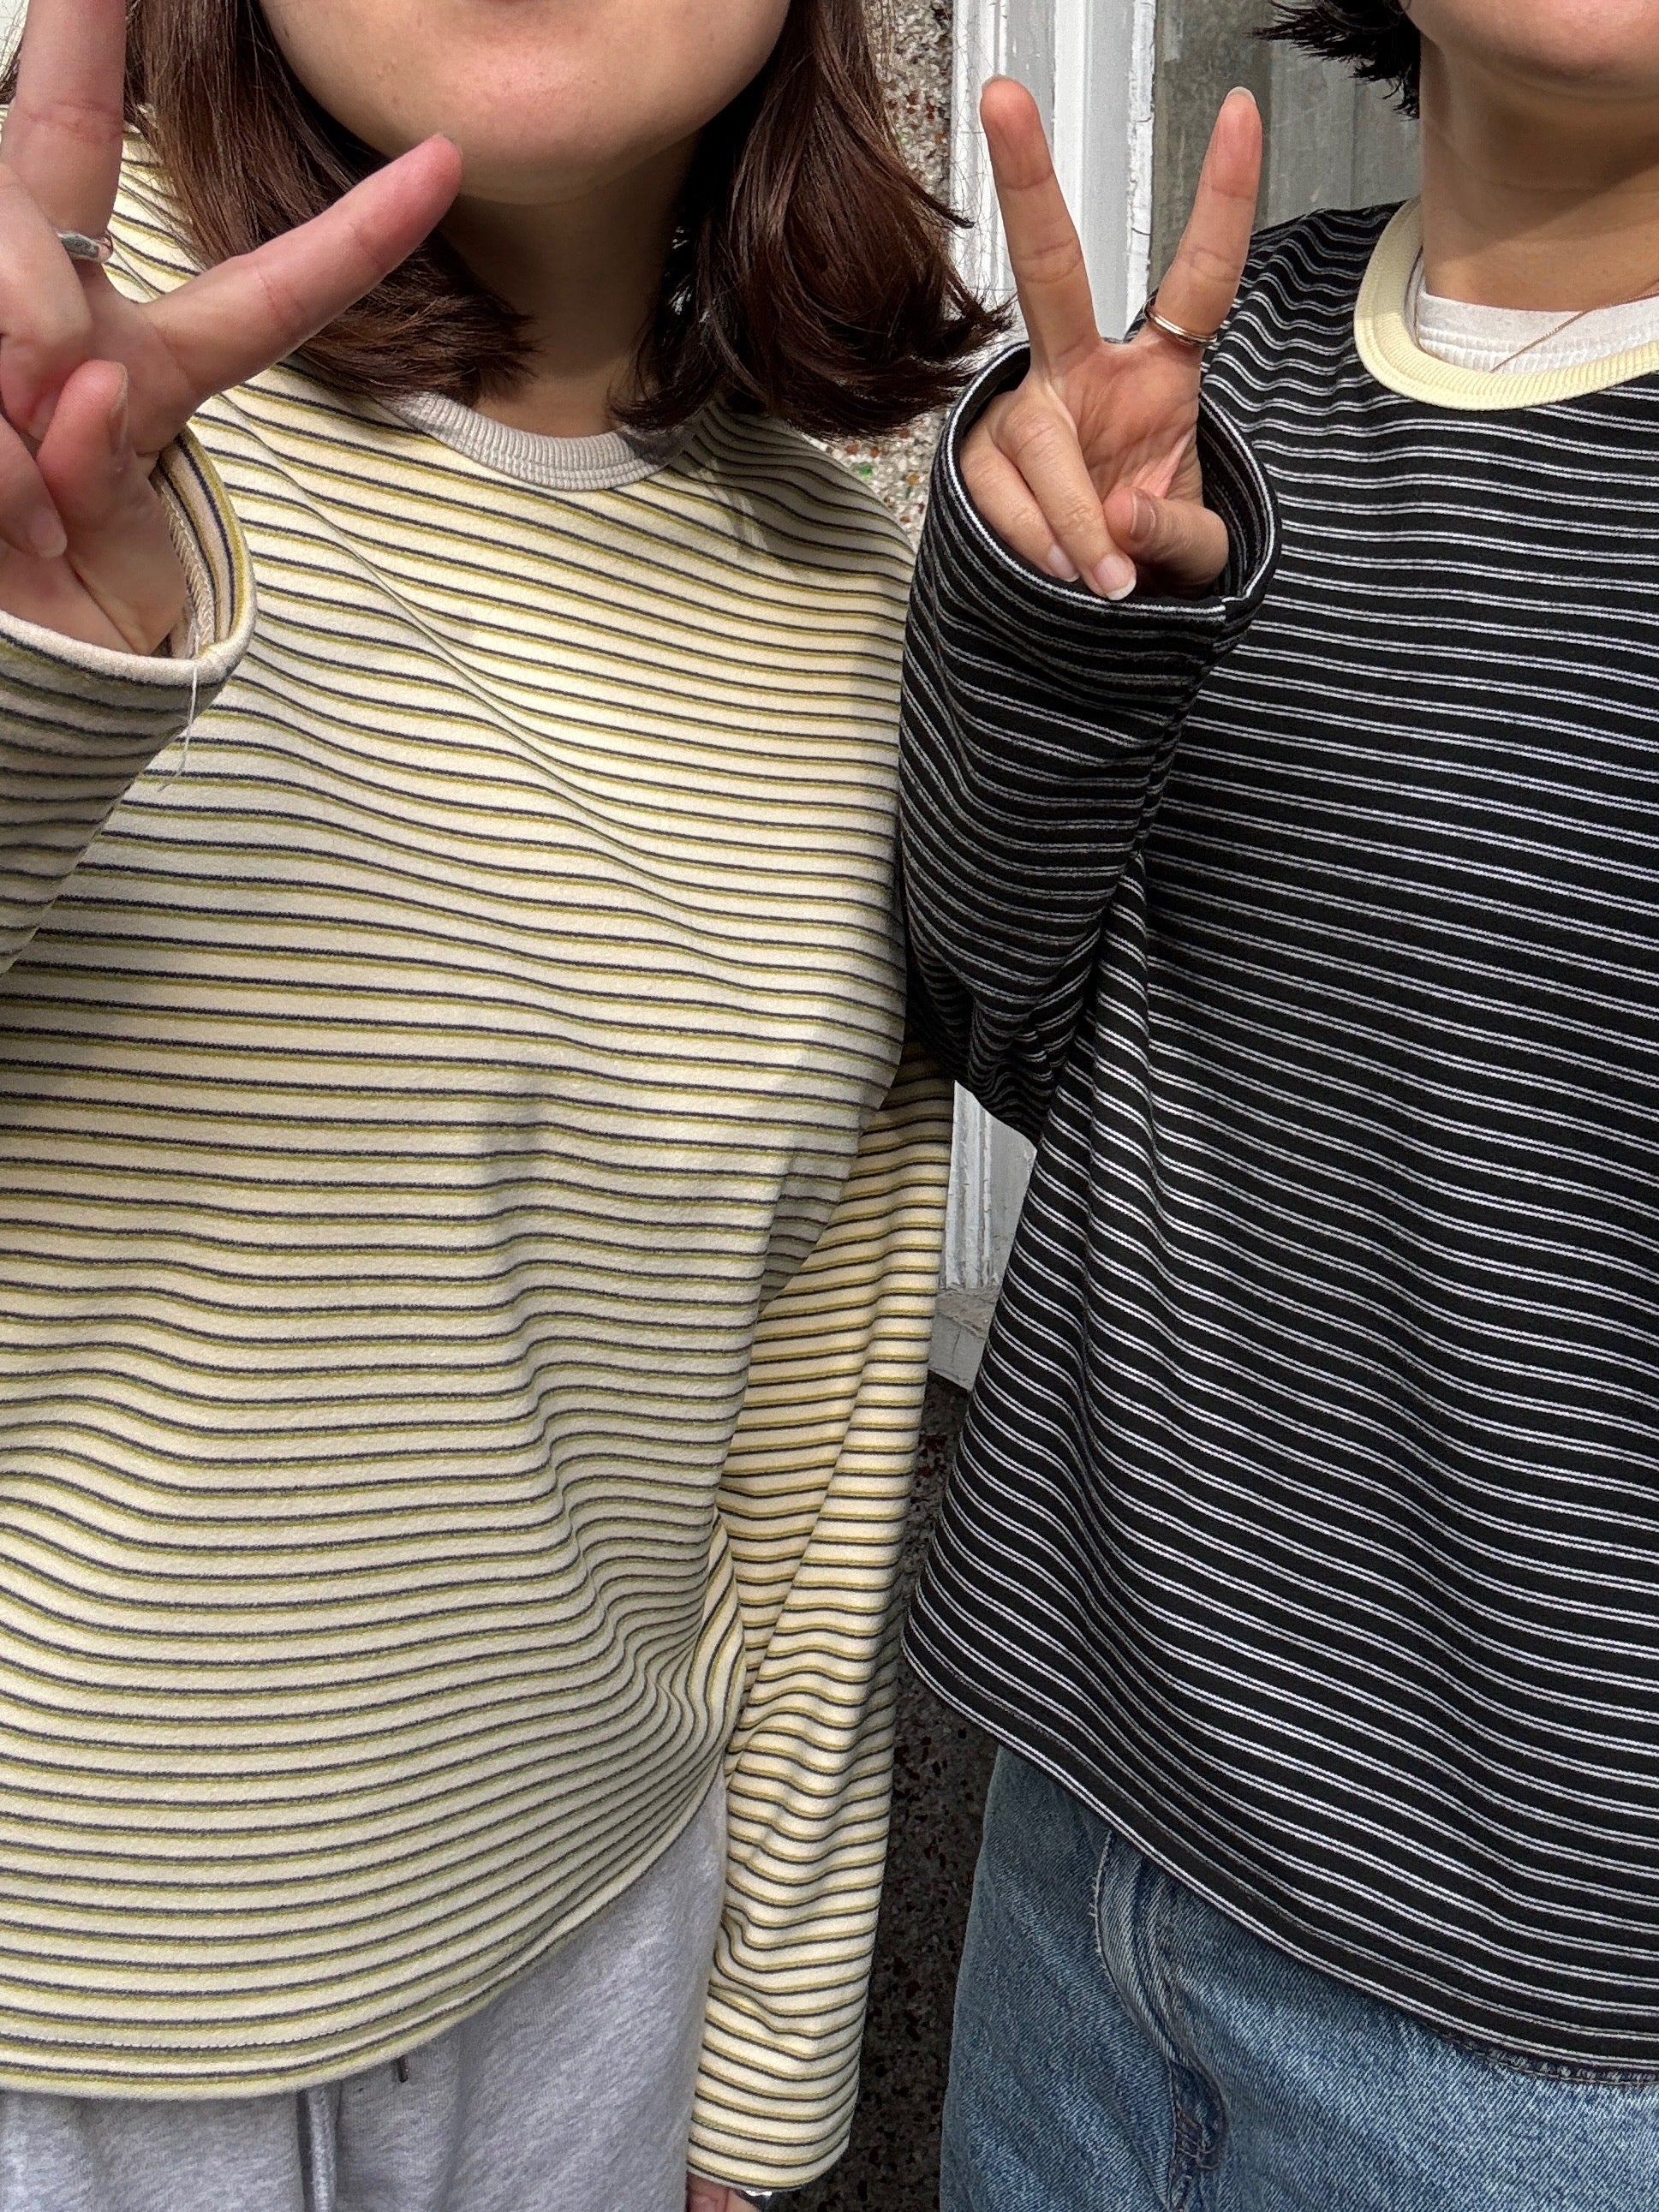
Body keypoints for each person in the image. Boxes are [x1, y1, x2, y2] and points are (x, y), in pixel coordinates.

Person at [0, 0, 998, 2206]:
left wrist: (765, 2053)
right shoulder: (35, 338)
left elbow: (818, 1405)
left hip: (586, 1965)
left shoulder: (844, 587)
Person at [900, 2, 1659, 2205]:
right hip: (1082, 1826)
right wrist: (1053, 621)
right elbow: (1000, 1015)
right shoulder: (1208, 363)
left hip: (1552, 2025)